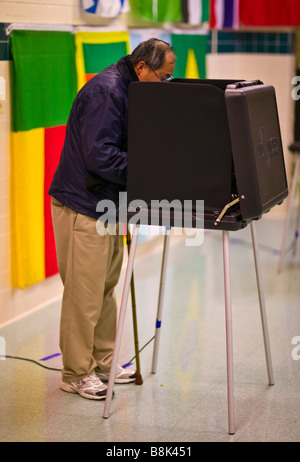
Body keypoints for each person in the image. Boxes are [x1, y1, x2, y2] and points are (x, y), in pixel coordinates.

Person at [49, 38, 176, 400]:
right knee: (83, 295)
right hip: (82, 206)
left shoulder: (131, 89)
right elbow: (100, 156)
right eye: (163, 77)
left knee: (104, 289)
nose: (165, 84)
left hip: (107, 205)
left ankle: (103, 361)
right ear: (142, 68)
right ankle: (75, 373)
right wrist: (146, 174)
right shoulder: (106, 92)